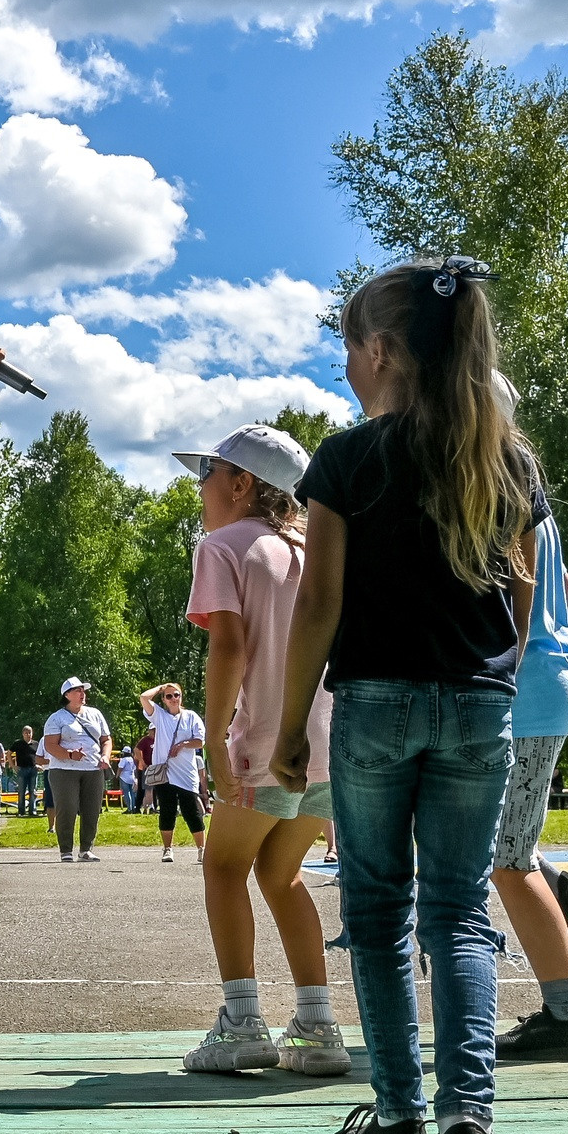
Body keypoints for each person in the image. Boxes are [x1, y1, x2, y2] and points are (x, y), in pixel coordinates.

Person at [273, 257, 544, 1134]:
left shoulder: (348, 458)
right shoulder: (509, 461)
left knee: (379, 911)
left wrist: (289, 725)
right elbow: (525, 597)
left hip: (376, 704)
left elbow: (319, 604)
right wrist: (491, 678)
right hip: (479, 704)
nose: (349, 366)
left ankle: (398, 1119)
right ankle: (472, 1124)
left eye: (350, 349)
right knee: (460, 913)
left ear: (382, 350)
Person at [173, 423, 347, 1078]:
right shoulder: (314, 546)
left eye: (208, 475)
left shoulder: (223, 547)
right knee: (281, 873)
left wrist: (216, 740)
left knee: (223, 867)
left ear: (241, 484)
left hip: (266, 742)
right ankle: (317, 1026)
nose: (200, 488)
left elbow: (228, 647)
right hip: (328, 746)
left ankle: (243, 1023)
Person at [493, 509, 568, 1062]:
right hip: (547, 684)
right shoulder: (534, 507)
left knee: (508, 861)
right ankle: (564, 892)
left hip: (522, 693)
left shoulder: (497, 495)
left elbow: (506, 603)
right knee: (504, 846)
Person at [138, 683, 208, 864]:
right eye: (169, 696)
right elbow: (144, 698)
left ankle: (202, 849)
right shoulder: (159, 716)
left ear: (181, 696)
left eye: (176, 695)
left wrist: (183, 744)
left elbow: (200, 741)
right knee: (167, 811)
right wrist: (161, 687)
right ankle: (167, 849)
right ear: (164, 699)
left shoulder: (191, 716)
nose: (173, 699)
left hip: (186, 773)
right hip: (165, 773)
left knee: (191, 811)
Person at [44, 678, 112, 862]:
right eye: (77, 691)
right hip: (64, 770)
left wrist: (105, 756)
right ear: (67, 695)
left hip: (93, 768)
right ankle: (66, 850)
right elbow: (50, 745)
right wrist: (69, 754)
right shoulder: (57, 718)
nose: (82, 694)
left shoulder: (95, 714)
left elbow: (106, 739)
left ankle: (86, 849)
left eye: (83, 690)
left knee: (92, 810)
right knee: (67, 809)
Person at [11, 725, 40, 816]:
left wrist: (39, 765)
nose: (28, 734)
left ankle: (32, 810)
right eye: (26, 733)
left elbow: (40, 755)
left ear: (32, 733)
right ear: (23, 734)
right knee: (21, 791)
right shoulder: (18, 743)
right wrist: (13, 766)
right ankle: (21, 811)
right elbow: (9, 753)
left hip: (33, 769)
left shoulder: (36, 744)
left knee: (33, 791)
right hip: (22, 769)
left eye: (29, 732)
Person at [115, 748, 140, 816]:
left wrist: (117, 775)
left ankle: (129, 808)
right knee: (132, 793)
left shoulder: (124, 759)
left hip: (124, 777)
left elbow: (120, 768)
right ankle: (133, 808)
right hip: (131, 777)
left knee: (126, 793)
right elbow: (135, 769)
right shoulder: (132, 759)